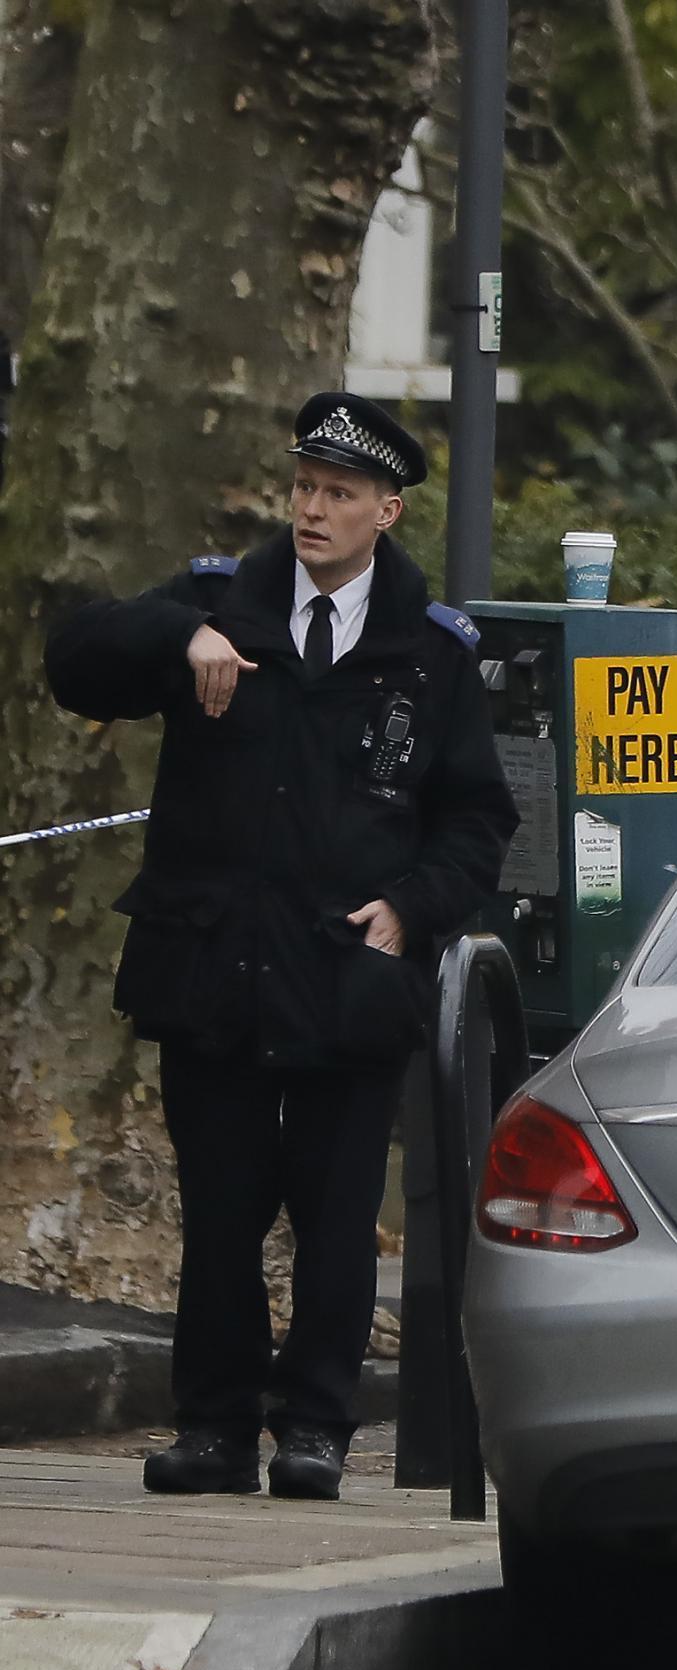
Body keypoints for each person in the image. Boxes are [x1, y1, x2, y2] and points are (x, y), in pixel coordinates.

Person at [45, 392, 517, 1501]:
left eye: (339, 494)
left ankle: (315, 1426)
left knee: (337, 1219)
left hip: (348, 974)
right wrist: (180, 633)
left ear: (385, 512)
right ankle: (213, 1425)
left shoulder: (429, 653)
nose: (313, 509)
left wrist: (412, 906)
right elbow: (76, 661)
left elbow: (476, 819)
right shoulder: (222, 600)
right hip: (217, 965)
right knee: (220, 1207)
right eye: (304, 486)